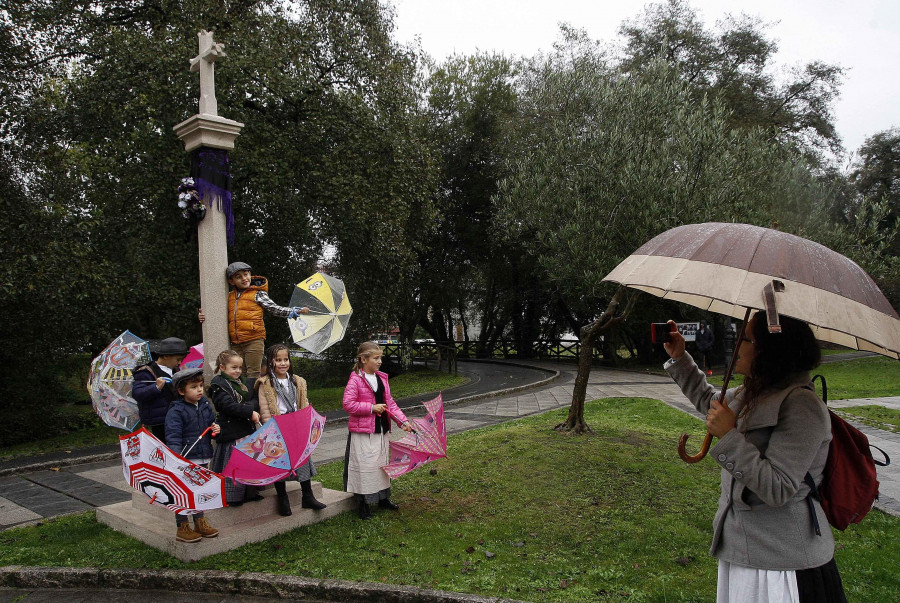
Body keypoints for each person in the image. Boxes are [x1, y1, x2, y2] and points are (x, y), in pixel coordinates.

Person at [663, 312, 846, 603]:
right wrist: (681, 357)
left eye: (746, 339)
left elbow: (779, 487)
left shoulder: (802, 406)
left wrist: (729, 436)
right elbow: (711, 402)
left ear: (770, 351)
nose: (736, 345)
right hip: (743, 550)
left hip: (783, 565)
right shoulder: (754, 391)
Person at [198, 262, 310, 379]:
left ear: (250, 275)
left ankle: (254, 397)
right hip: (236, 342)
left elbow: (274, 308)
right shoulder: (230, 296)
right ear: (231, 281)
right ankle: (243, 396)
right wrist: (202, 315)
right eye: (238, 277)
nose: (244, 278)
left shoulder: (257, 293)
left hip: (253, 339)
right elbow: (217, 312)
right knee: (239, 373)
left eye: (246, 274)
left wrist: (294, 311)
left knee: (253, 373)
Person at [342, 341, 413, 519]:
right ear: (363, 359)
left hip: (381, 429)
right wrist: (371, 408)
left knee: (381, 465)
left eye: (380, 357)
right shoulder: (356, 379)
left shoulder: (382, 378)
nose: (380, 361)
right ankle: (363, 503)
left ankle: (383, 498)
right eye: (376, 358)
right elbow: (348, 404)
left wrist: (402, 421)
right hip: (364, 432)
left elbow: (390, 404)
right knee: (365, 466)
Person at [255, 343, 327, 516]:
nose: (282, 363)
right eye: (278, 360)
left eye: (285, 359)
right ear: (271, 362)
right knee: (279, 462)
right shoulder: (265, 383)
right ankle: (282, 497)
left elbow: (303, 401)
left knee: (302, 459)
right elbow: (265, 409)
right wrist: (269, 427)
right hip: (278, 426)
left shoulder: (297, 381)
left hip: (297, 424)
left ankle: (307, 495)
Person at [165, 368, 221, 543]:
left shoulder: (204, 404)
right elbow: (173, 435)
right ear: (181, 391)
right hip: (186, 458)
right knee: (183, 491)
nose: (199, 390)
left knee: (199, 490)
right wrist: (176, 458)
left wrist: (215, 428)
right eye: (193, 387)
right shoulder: (177, 410)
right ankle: (182, 526)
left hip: (203, 455)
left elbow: (211, 422)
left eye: (200, 386)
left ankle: (199, 521)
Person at [208, 350, 262, 508]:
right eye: (234, 367)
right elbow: (227, 406)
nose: (238, 371)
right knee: (234, 467)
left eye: (240, 367)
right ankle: (232, 496)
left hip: (245, 430)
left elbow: (253, 399)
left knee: (249, 464)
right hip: (232, 432)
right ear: (222, 367)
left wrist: (249, 408)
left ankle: (250, 492)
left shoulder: (242, 383)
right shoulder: (218, 385)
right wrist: (248, 411)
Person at [132, 337, 189, 443]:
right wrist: (156, 387)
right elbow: (138, 393)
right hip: (159, 422)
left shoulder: (176, 371)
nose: (180, 362)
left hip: (177, 418)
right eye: (178, 359)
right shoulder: (146, 372)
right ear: (166, 356)